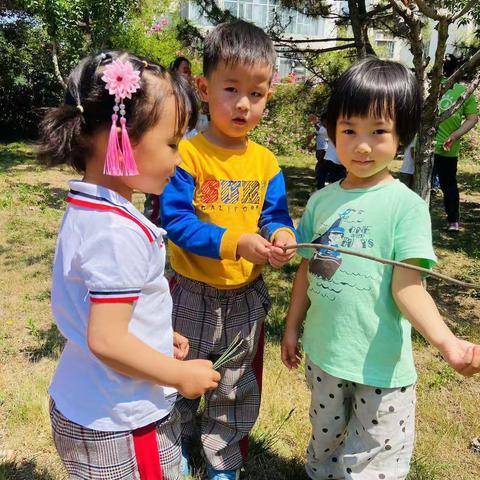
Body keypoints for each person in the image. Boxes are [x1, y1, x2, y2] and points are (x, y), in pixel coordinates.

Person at [281, 57, 480, 480]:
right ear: (333, 131)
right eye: (349, 130)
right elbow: (308, 270)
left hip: (380, 368)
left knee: (372, 461)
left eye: (379, 132)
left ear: (402, 137)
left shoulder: (405, 207)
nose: (362, 145)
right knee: (325, 441)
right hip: (324, 356)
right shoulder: (320, 202)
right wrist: (292, 325)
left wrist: (446, 343)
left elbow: (409, 287)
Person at [38, 51, 220, 480]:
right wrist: (177, 375)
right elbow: (108, 340)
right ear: (118, 135)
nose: (178, 160)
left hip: (88, 402)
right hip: (122, 421)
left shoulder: (92, 209)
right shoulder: (117, 233)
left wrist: (156, 336)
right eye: (172, 143)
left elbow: (105, 310)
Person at [160, 20, 296, 480]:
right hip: (191, 293)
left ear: (268, 95)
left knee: (232, 386)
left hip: (244, 298)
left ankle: (222, 460)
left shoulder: (265, 162)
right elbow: (176, 222)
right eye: (231, 89)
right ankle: (174, 445)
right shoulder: (188, 155)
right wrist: (234, 242)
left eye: (256, 94)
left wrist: (280, 237)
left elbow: (273, 216)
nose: (243, 104)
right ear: (203, 87)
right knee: (180, 378)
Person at [433, 54, 479, 231]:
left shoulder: (430, 88)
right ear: (457, 70)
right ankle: (453, 222)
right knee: (449, 185)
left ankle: (417, 221)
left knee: (422, 183)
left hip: (424, 147)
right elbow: (473, 119)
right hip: (448, 147)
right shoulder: (464, 92)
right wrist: (454, 135)